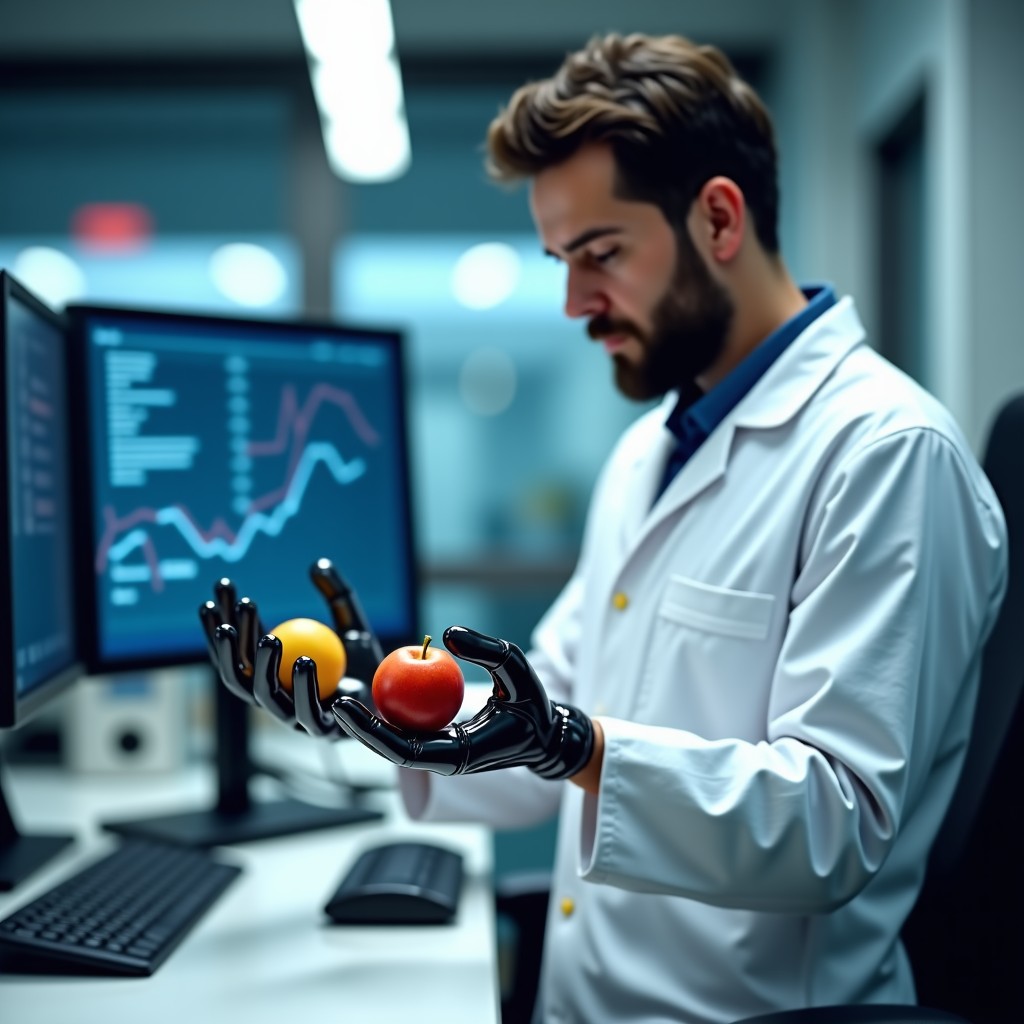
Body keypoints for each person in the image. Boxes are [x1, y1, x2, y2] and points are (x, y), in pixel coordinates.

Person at [202, 32, 1008, 1024]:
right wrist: (380, 702)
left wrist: (573, 744)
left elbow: (831, 827)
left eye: (600, 254)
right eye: (560, 259)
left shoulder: (887, 455)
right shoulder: (646, 453)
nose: (575, 301)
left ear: (718, 217)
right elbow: (541, 707)